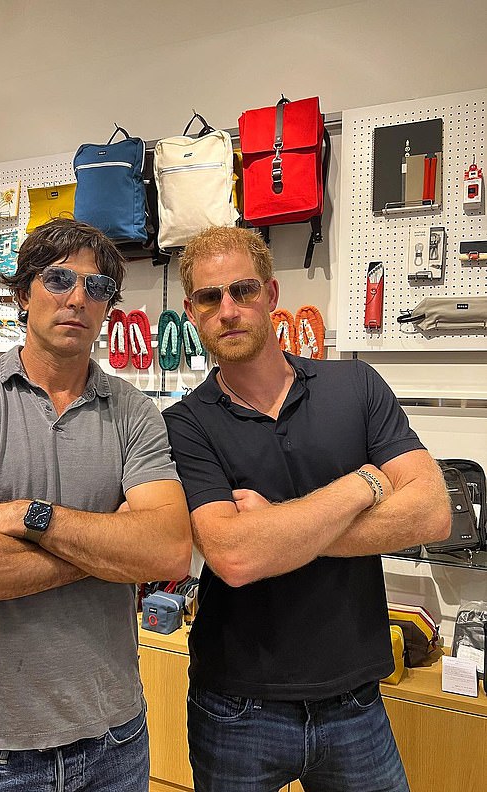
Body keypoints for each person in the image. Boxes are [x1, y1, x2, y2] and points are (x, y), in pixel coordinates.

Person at [0, 218, 192, 792]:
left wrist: (28, 517)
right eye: (59, 279)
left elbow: (167, 552)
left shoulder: (134, 412)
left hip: (112, 741)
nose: (78, 298)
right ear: (23, 292)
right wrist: (108, 552)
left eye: (98, 288)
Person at [162, 225, 451, 792]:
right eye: (209, 298)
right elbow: (236, 556)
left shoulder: (356, 387)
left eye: (242, 291)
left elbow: (431, 512)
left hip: (356, 703)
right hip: (236, 707)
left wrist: (277, 526)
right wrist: (362, 485)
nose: (228, 309)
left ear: (271, 295)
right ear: (193, 314)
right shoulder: (184, 425)